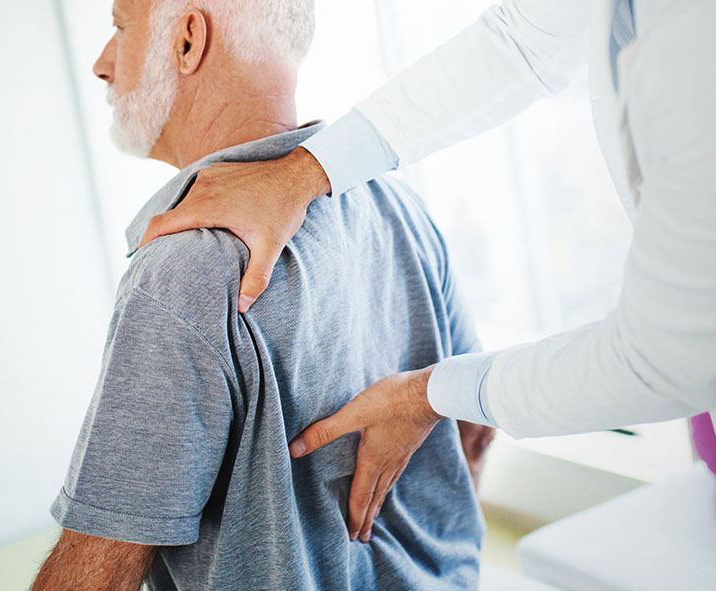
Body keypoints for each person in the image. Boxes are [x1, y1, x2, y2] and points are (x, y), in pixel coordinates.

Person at [139, 0, 716, 588]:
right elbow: (520, 41)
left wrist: (431, 393)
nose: (106, 64)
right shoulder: (205, 263)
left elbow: (663, 358)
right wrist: (307, 170)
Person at [31, 0, 493, 589]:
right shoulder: (400, 207)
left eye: (120, 28)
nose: (102, 63)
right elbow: (474, 432)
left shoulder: (184, 270)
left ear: (188, 41)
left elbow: (102, 572)